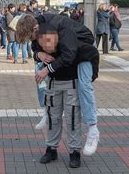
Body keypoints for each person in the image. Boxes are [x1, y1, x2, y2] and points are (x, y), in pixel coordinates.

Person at [16, 14, 100, 157]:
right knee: (39, 70)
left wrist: (47, 69)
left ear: (35, 28)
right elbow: (35, 49)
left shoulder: (61, 30)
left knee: (84, 86)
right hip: (67, 58)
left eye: (31, 37)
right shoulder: (38, 29)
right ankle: (46, 113)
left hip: (84, 52)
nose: (32, 41)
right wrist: (39, 56)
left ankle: (93, 128)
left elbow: (68, 56)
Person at [37, 24, 98, 168]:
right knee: (53, 118)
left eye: (50, 41)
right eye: (43, 44)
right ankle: (51, 149)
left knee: (73, 119)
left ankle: (74, 152)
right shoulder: (40, 47)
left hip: (71, 83)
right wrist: (38, 54)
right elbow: (35, 52)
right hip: (53, 84)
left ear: (57, 38)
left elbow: (77, 58)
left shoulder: (69, 45)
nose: (47, 46)